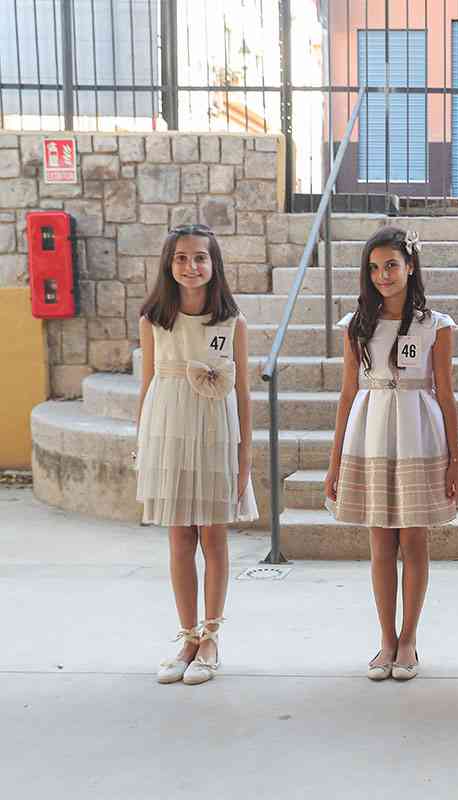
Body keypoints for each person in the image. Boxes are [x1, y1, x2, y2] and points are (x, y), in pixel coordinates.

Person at [325, 226, 458, 681]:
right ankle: (386, 639)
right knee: (380, 541)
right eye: (375, 268)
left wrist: (454, 459)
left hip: (419, 433)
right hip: (371, 433)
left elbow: (446, 393)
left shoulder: (435, 325)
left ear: (410, 266)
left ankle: (409, 638)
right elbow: (346, 393)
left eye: (392, 265)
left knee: (413, 540)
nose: (383, 275)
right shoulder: (356, 324)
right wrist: (334, 462)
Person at [137, 223, 256, 686]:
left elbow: (242, 392)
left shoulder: (231, 322)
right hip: (168, 429)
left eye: (200, 257)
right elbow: (147, 384)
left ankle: (211, 637)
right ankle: (187, 637)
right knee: (180, 537)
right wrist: (143, 443)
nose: (191, 266)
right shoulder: (153, 320)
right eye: (182, 258)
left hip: (214, 431)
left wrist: (244, 455)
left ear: (214, 264)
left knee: (214, 535)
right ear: (169, 265)